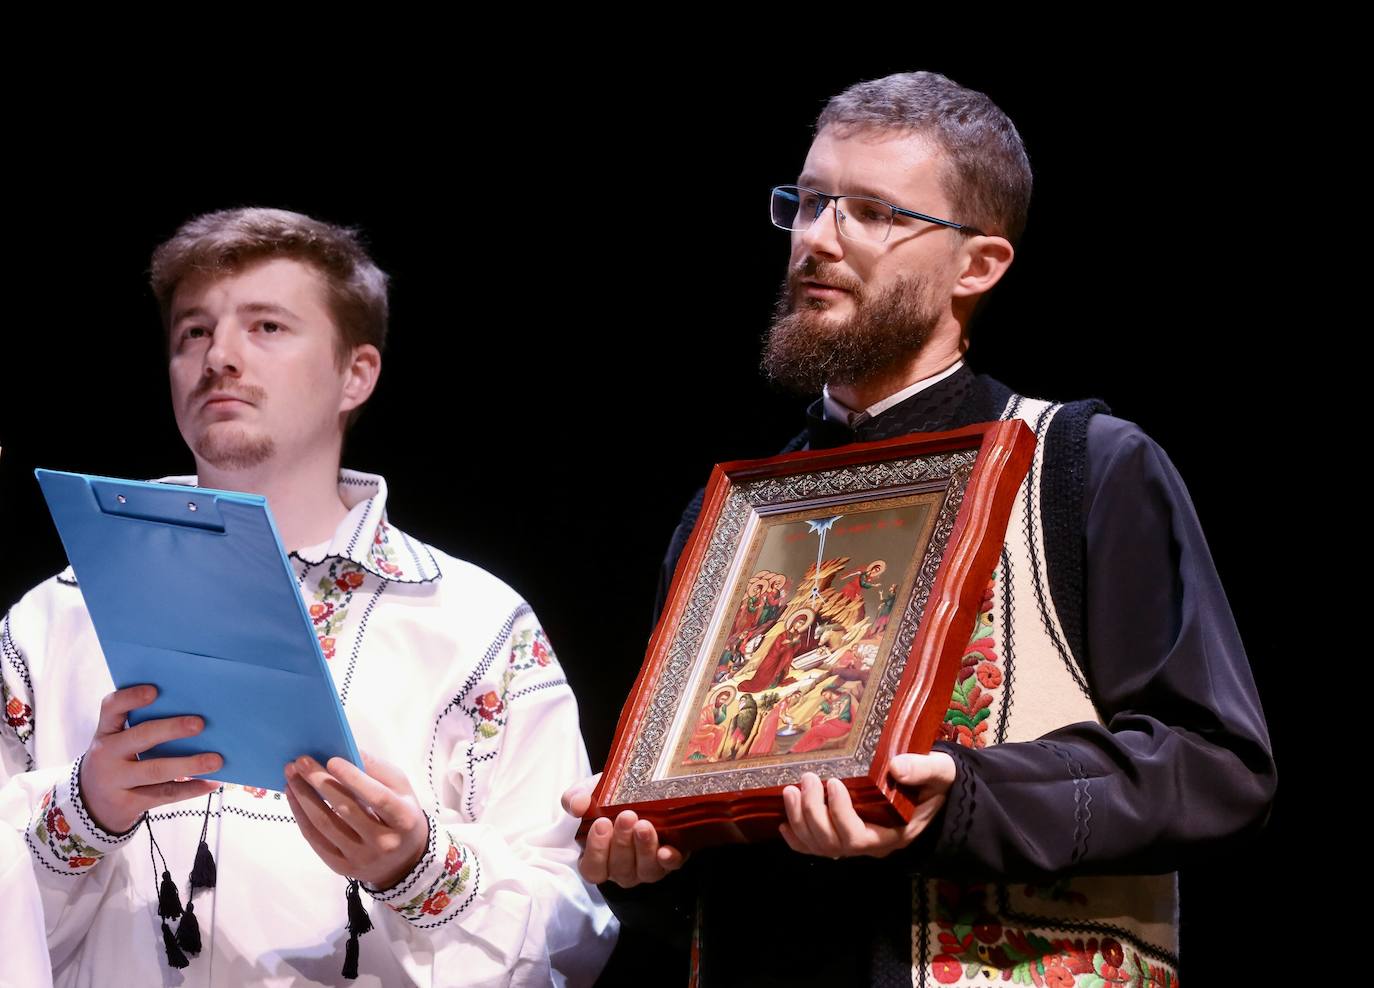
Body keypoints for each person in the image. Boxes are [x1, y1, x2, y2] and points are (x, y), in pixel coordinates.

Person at [564, 71, 1274, 985]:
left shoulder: (1083, 465)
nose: (818, 240)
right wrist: (644, 862)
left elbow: (1216, 768)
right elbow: (695, 820)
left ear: (977, 266)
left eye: (872, 212)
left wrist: (968, 798)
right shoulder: (735, 515)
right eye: (810, 202)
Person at [0, 208, 616, 986]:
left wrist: (419, 867)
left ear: (355, 374)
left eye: (266, 327)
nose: (219, 356)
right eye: (193, 331)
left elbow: (576, 931)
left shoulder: (474, 624)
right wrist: (80, 813)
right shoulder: (53, 618)